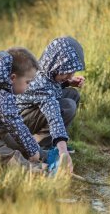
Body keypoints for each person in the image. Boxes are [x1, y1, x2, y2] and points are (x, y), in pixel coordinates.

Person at [16, 36, 86, 173]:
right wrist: (63, 151)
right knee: (67, 106)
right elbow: (54, 117)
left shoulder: (46, 69)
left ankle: (54, 144)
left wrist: (67, 82)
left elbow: (52, 88)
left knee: (72, 94)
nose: (71, 74)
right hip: (19, 120)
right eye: (68, 70)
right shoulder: (41, 83)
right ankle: (41, 148)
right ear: (57, 64)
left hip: (32, 110)